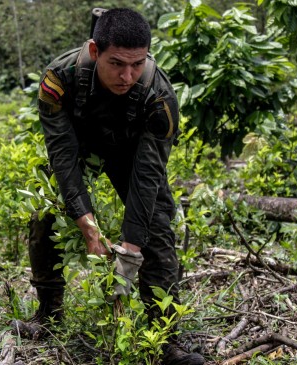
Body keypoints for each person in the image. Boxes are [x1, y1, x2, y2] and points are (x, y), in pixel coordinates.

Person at [12, 8, 205, 365]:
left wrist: (129, 252)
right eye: (117, 63)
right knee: (46, 212)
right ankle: (48, 314)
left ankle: (165, 338)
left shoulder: (160, 96)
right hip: (80, 146)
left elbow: (148, 177)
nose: (127, 75)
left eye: (137, 64)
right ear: (95, 50)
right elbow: (62, 155)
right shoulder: (59, 79)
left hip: (131, 152)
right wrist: (85, 221)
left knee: (157, 225)